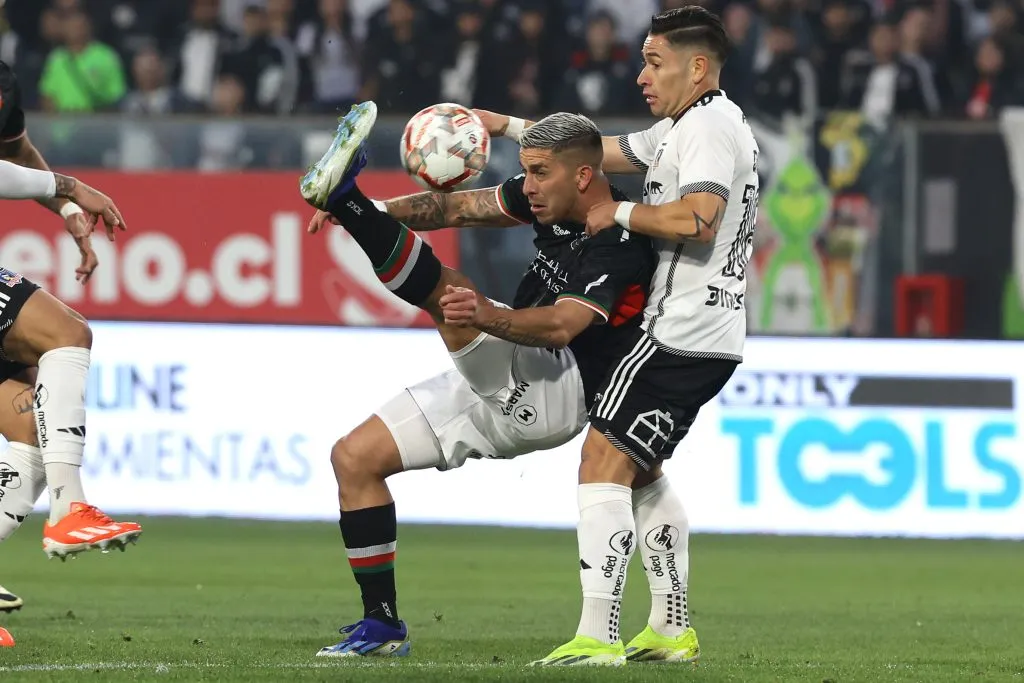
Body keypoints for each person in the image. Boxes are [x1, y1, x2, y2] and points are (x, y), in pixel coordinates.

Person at [300, 102, 655, 658]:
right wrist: (373, 212)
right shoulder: (547, 199)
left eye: (540, 173)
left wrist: (486, 314)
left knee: (452, 299)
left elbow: (563, 326)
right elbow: (457, 207)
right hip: (506, 364)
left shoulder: (621, 238)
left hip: (557, 388)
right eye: (527, 171)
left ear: (584, 175)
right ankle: (382, 626)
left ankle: (342, 194)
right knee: (354, 458)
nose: (527, 185)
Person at [472, 6, 759, 666]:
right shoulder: (687, 126)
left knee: (600, 461)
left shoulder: (709, 128)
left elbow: (700, 219)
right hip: (706, 331)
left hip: (678, 331)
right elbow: (601, 151)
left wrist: (616, 209)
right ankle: (670, 624)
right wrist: (507, 126)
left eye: (654, 63)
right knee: (640, 469)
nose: (641, 75)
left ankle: (597, 635)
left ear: (698, 67)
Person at [0, 60, 141, 616]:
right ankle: (69, 509)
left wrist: (63, 207)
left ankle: (68, 507)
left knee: (32, 432)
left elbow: (13, 151)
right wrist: (72, 186)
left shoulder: (7, 79)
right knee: (67, 332)